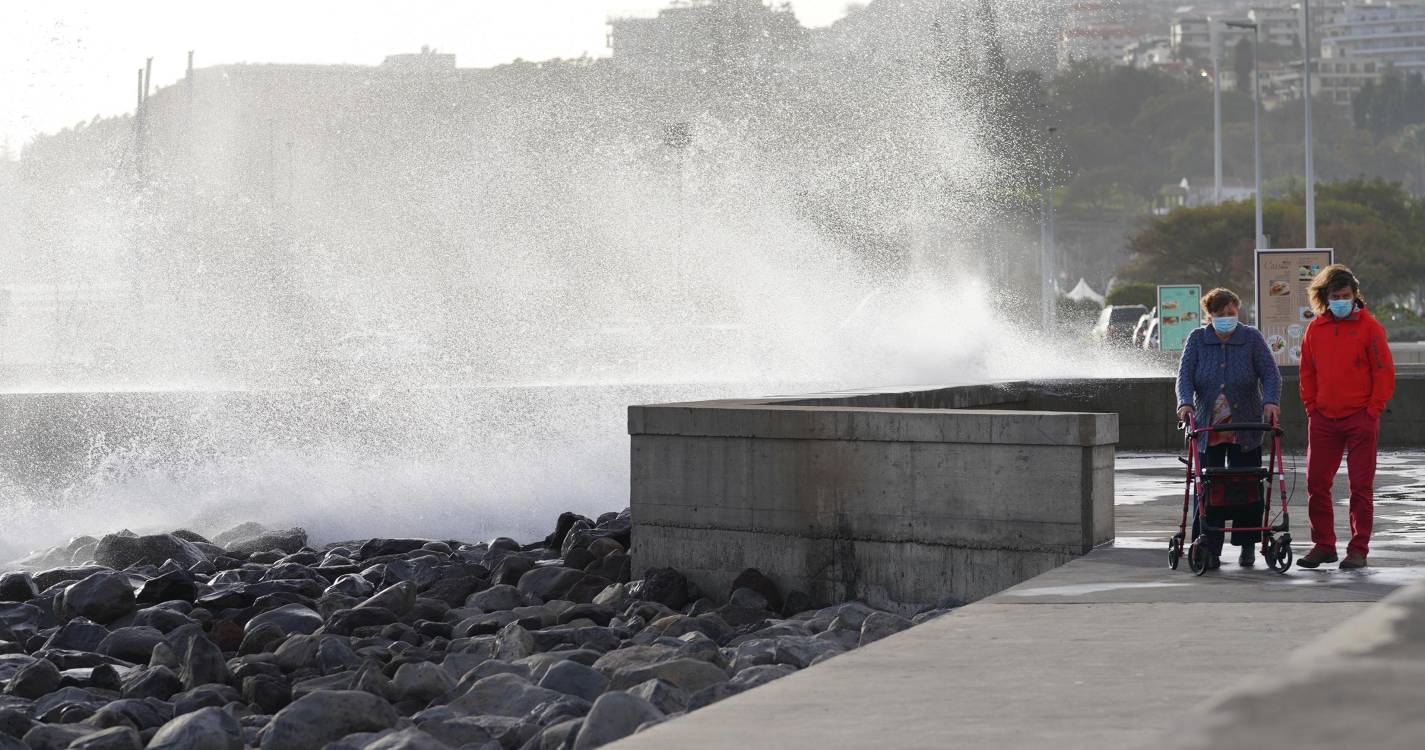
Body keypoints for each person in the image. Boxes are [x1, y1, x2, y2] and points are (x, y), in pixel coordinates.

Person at [1175, 288, 1282, 569]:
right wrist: (1184, 403)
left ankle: (1247, 545)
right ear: (1208, 316)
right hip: (1208, 426)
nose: (1226, 318)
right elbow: (1184, 376)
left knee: (1246, 484)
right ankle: (1208, 545)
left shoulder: (1251, 338)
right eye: (1219, 315)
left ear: (1238, 311)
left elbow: (1270, 374)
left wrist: (1270, 402)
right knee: (1208, 486)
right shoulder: (1198, 339)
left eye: (1231, 313)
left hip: (1244, 425)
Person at [1297, 265, 1395, 571]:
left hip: (1360, 417)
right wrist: (1311, 406)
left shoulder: (1370, 327)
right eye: (1335, 296)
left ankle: (1358, 549)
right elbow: (1307, 371)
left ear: (1355, 296)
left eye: (1346, 295)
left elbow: (1383, 371)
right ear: (1325, 298)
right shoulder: (1315, 328)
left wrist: (1373, 410)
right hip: (1323, 418)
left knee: (1360, 486)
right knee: (1316, 484)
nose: (1341, 300)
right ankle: (1323, 545)